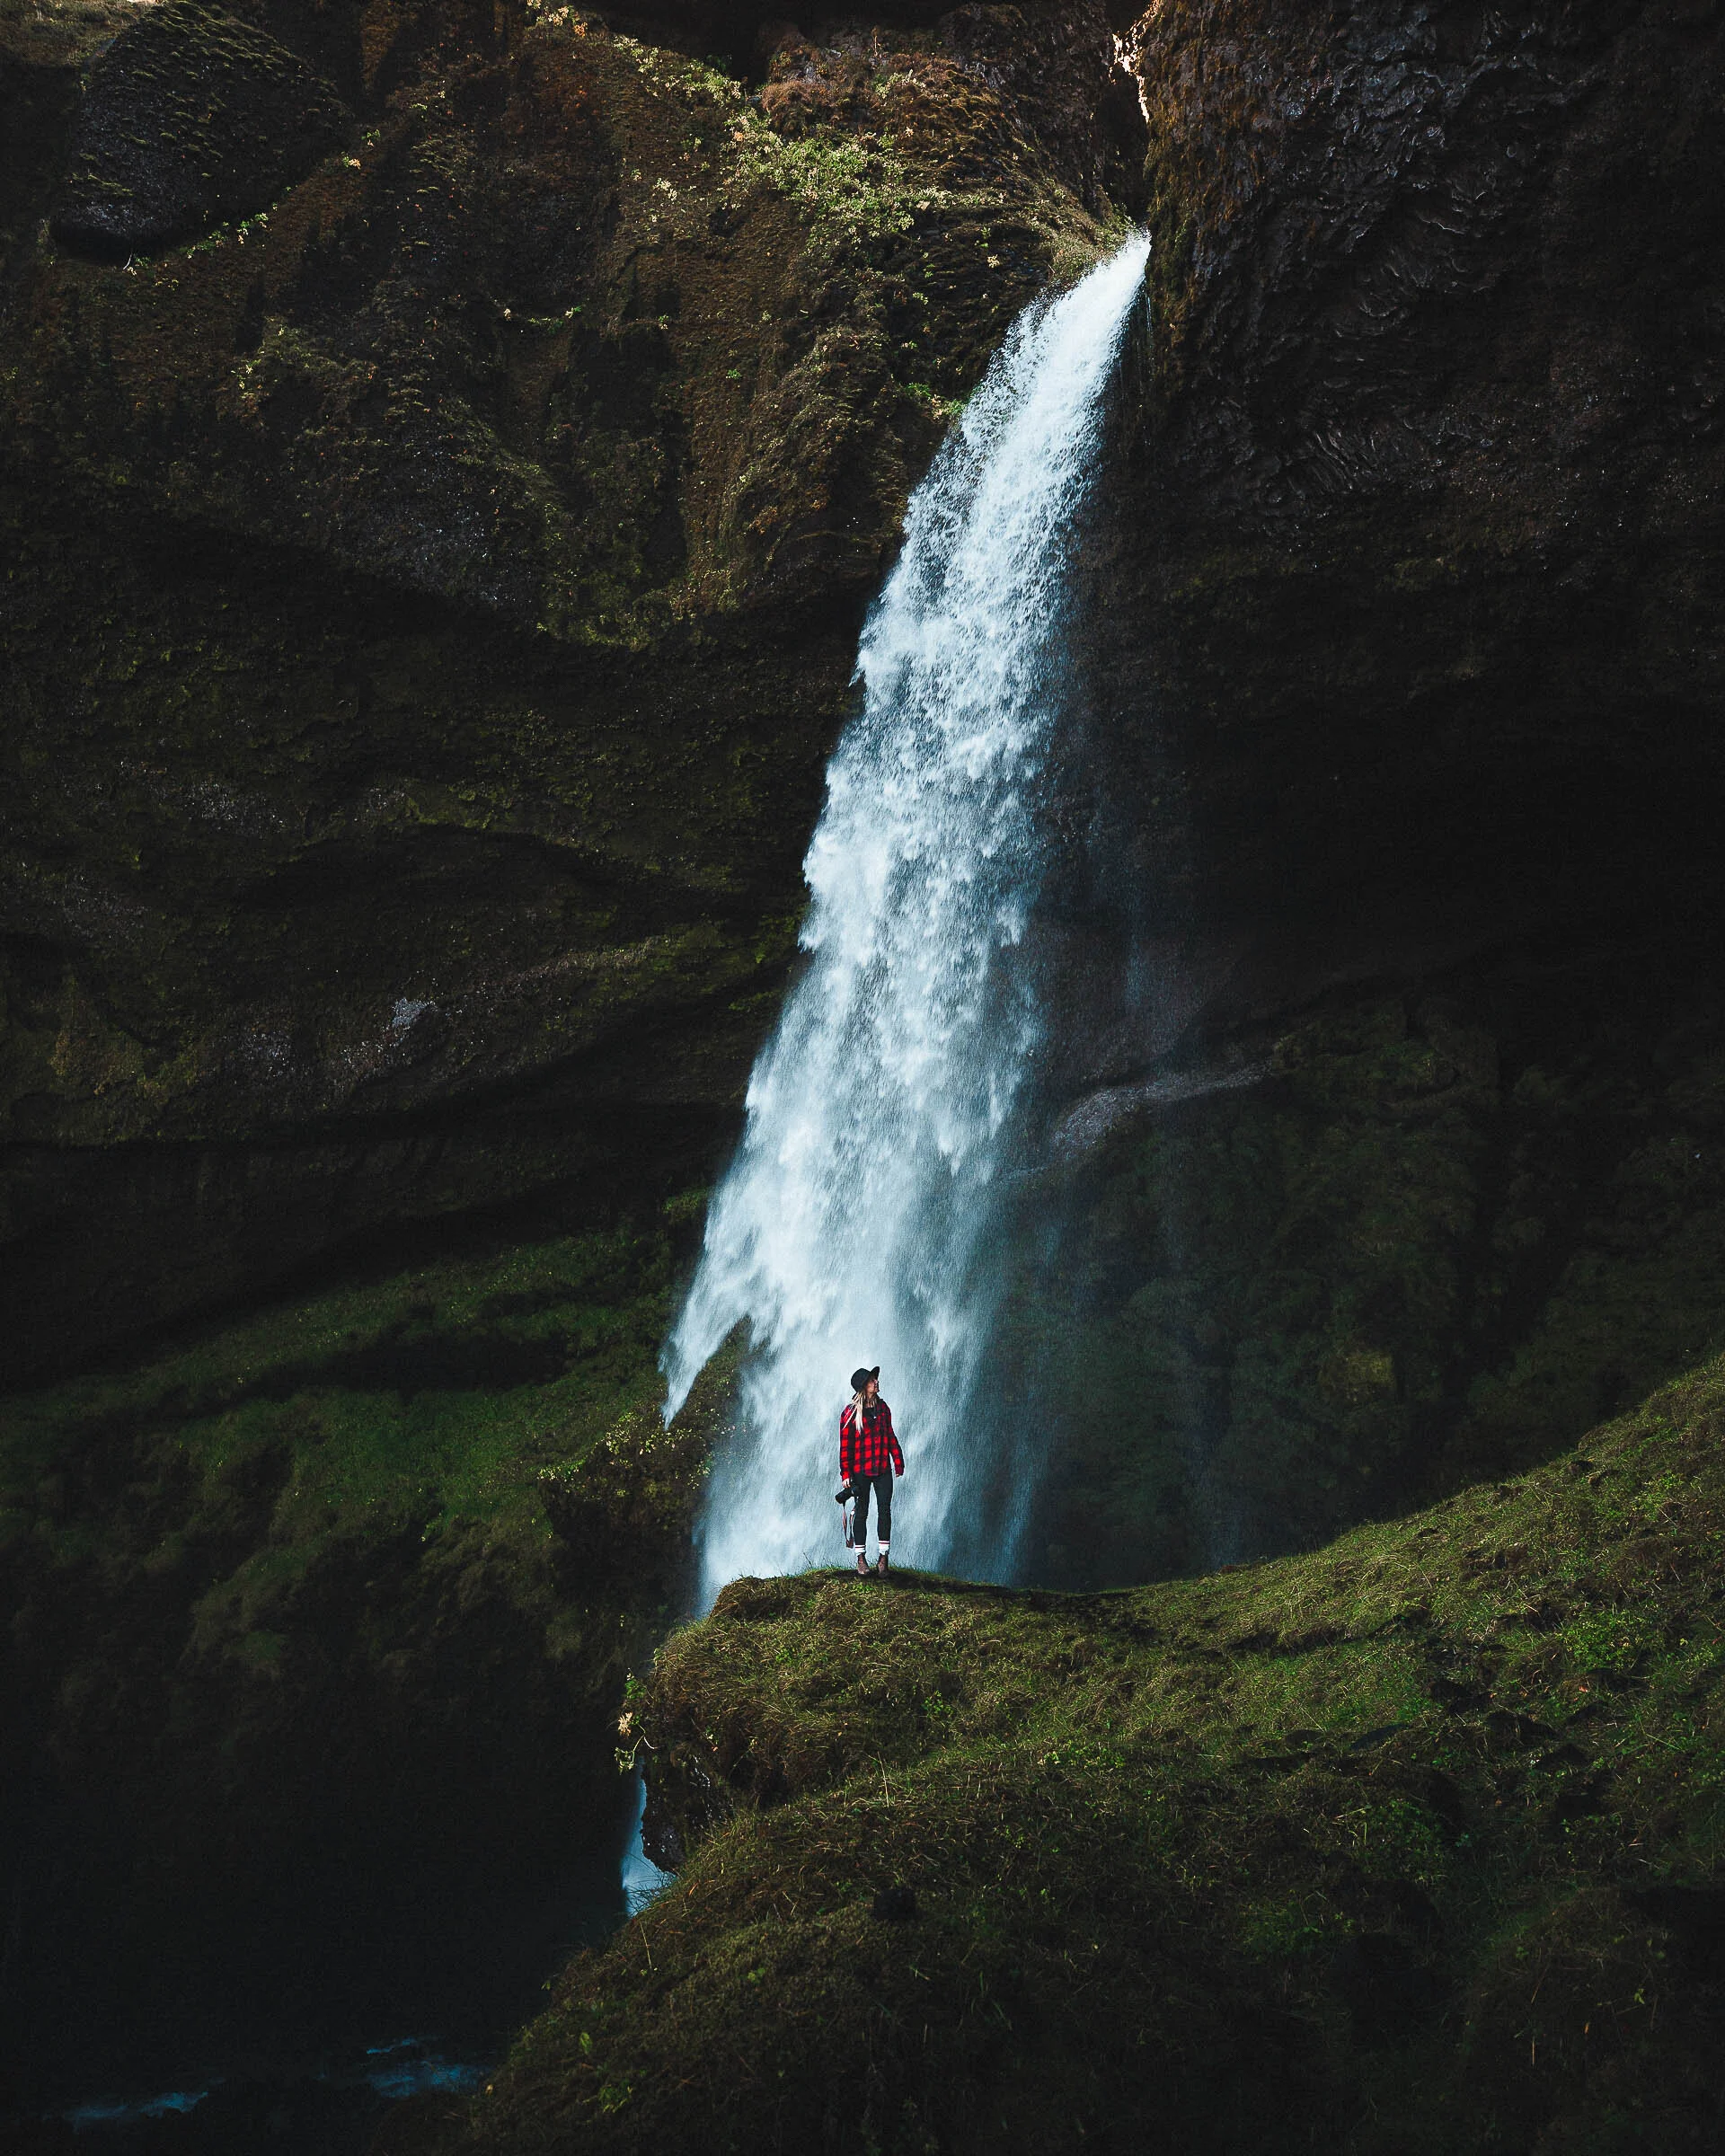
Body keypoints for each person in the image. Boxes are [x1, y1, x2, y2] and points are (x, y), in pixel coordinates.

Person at [840, 1365, 903, 1577]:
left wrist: (898, 1460)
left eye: (875, 1379)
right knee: (862, 1511)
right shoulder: (850, 1414)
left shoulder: (883, 1409)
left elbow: (890, 1436)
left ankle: (883, 1557)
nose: (876, 1382)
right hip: (860, 1471)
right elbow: (845, 1446)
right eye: (871, 1381)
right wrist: (845, 1474)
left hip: (883, 1468)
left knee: (885, 1511)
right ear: (863, 1387)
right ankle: (861, 1559)